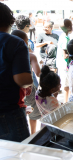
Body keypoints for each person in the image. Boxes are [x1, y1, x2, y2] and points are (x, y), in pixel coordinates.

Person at [0, 2, 32, 142]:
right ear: (10, 21)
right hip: (8, 112)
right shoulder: (16, 42)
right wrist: (30, 82)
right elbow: (22, 80)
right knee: (18, 155)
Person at [11, 30, 41, 135]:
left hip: (14, 89)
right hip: (28, 88)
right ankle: (32, 135)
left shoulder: (9, 55)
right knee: (32, 112)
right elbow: (38, 73)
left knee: (22, 111)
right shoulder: (30, 56)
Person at [56, 19, 73, 103]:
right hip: (65, 66)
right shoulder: (65, 39)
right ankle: (67, 103)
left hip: (62, 65)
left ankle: (68, 102)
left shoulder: (63, 36)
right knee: (67, 86)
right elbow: (65, 55)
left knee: (68, 85)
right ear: (69, 27)